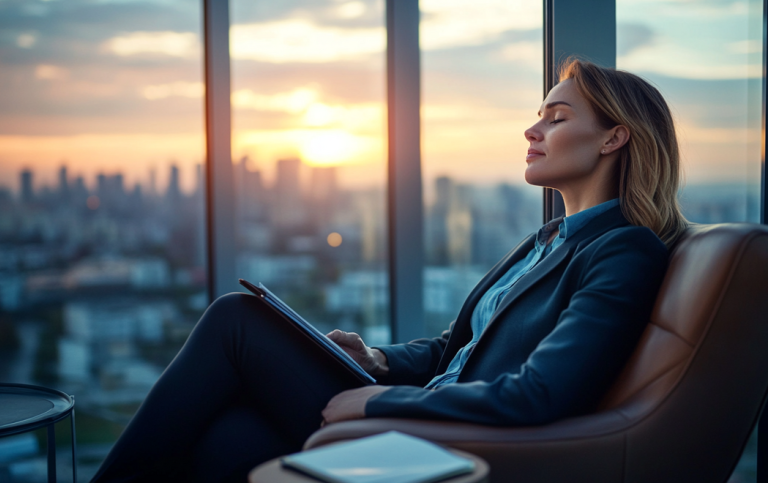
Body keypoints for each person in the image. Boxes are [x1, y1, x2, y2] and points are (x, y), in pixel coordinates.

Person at [90, 59, 686, 482]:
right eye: (538, 116)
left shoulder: (622, 252)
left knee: (237, 319)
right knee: (228, 441)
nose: (532, 130)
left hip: (447, 436)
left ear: (614, 138)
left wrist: (378, 402)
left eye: (556, 118)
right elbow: (458, 349)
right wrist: (377, 360)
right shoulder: (548, 240)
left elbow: (540, 394)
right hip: (422, 405)